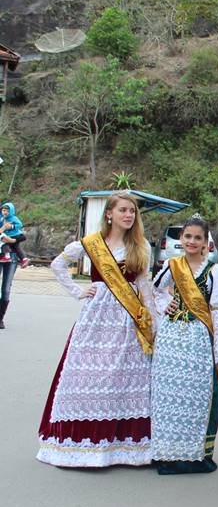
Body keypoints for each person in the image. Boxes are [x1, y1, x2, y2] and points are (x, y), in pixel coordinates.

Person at [38, 192, 156, 467]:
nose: (129, 215)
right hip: (97, 317)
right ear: (109, 214)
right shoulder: (92, 243)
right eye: (124, 210)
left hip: (128, 319)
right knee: (87, 375)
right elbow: (58, 264)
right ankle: (79, 443)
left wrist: (152, 322)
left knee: (121, 378)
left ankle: (119, 446)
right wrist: (77, 291)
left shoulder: (141, 246)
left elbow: (145, 286)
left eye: (133, 212)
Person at [150, 218, 218, 475]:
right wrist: (165, 305)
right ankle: (166, 452)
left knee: (197, 394)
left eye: (197, 238)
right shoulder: (172, 266)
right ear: (181, 239)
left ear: (206, 242)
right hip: (172, 337)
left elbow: (217, 313)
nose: (192, 242)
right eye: (188, 237)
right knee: (168, 394)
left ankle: (193, 454)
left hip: (198, 337)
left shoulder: (215, 271)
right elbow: (155, 292)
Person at [0, 202, 29, 267]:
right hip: (8, 236)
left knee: (6, 244)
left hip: (14, 235)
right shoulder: (2, 218)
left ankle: (8, 256)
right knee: (15, 247)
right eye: (4, 210)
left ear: (11, 211)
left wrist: (12, 226)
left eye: (7, 211)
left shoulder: (13, 218)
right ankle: (23, 258)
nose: (5, 212)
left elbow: (20, 224)